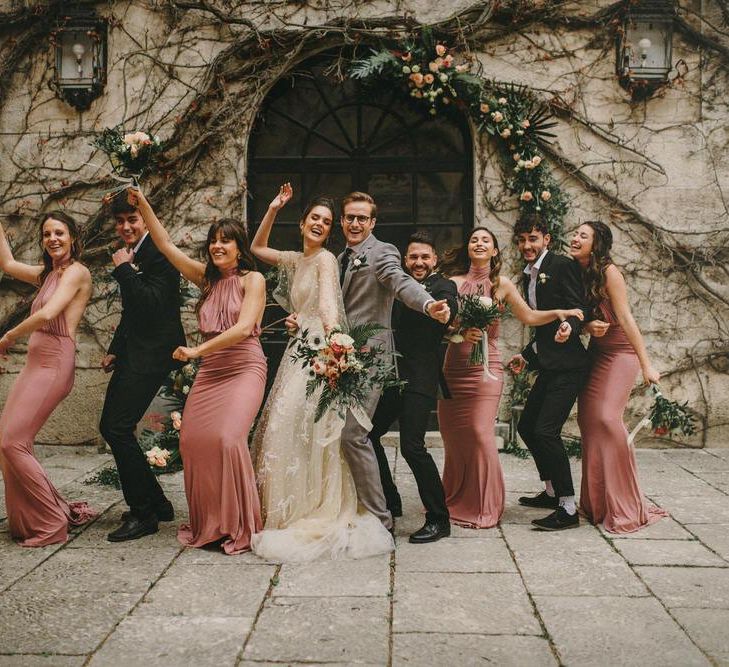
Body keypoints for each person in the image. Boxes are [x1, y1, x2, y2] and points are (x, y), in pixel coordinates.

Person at [249, 183, 393, 562]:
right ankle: (282, 507)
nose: (320, 225)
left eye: (327, 222)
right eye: (315, 218)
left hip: (317, 350)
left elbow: (330, 308)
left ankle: (313, 504)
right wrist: (273, 207)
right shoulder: (297, 260)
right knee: (286, 427)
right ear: (303, 223)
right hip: (298, 349)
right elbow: (257, 249)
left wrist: (335, 350)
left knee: (307, 428)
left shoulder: (327, 261)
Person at [128, 188, 267, 554]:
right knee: (191, 441)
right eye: (214, 242)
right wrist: (142, 202)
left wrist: (196, 351)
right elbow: (166, 245)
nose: (218, 247)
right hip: (211, 371)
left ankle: (239, 523)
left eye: (227, 241)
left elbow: (242, 328)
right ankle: (211, 523)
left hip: (244, 367)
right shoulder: (206, 280)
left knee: (227, 439)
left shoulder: (252, 280)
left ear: (240, 247)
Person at [306, 191, 451, 540]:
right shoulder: (339, 257)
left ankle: (394, 520)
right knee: (361, 435)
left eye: (362, 218)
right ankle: (387, 504)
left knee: (364, 437)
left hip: (373, 360)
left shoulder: (382, 252)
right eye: (349, 218)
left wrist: (429, 304)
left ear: (372, 223)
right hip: (344, 359)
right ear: (342, 221)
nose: (355, 224)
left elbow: (400, 282)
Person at [439, 226, 584, 529]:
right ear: (469, 248)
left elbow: (530, 316)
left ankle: (485, 504)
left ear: (494, 251)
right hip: (454, 366)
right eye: (474, 239)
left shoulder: (501, 284)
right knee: (454, 438)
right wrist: (458, 331)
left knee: (480, 434)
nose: (479, 242)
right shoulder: (452, 283)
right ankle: (456, 497)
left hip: (486, 368)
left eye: (486, 240)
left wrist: (559, 312)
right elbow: (440, 325)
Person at [0, 211, 96, 546]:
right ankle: (29, 520)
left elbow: (48, 313)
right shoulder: (48, 274)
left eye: (59, 233)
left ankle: (52, 522)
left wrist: (8, 336)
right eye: (46, 234)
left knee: (14, 442)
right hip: (34, 364)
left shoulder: (77, 272)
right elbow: (9, 265)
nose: (52, 239)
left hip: (54, 364)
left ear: (72, 237)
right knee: (6, 442)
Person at [570, 221, 668, 533]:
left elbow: (625, 317)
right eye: (575, 233)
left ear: (596, 244)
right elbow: (580, 316)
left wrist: (646, 364)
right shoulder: (576, 270)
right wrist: (585, 327)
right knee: (588, 420)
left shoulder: (610, 271)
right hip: (597, 353)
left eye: (583, 235)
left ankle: (626, 502)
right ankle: (598, 503)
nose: (575, 238)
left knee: (607, 418)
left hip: (622, 353)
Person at [100, 192, 186, 542]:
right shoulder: (136, 252)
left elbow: (149, 304)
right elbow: (131, 312)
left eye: (131, 220)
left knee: (115, 427)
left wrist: (123, 269)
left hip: (152, 355)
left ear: (145, 219)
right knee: (115, 427)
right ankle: (157, 502)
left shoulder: (160, 255)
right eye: (119, 222)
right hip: (134, 352)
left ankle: (144, 514)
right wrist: (115, 349)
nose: (125, 227)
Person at [368, 230, 457, 543]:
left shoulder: (442, 286)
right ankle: (391, 502)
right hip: (389, 377)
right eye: (413, 257)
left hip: (419, 377)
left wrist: (444, 311)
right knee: (367, 435)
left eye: (424, 257)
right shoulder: (395, 285)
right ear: (405, 260)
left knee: (412, 447)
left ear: (434, 259)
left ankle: (439, 519)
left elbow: (449, 309)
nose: (418, 262)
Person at [509, 215, 588, 531]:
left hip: (569, 366)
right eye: (522, 240)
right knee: (527, 427)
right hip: (550, 364)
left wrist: (570, 326)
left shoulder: (560, 265)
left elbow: (578, 308)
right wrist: (526, 356)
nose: (527, 245)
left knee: (545, 430)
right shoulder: (528, 273)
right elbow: (542, 330)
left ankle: (568, 509)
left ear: (546, 240)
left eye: (533, 239)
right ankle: (552, 491)